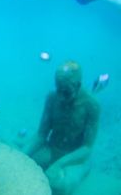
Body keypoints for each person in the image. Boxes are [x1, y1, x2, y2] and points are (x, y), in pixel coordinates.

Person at [23, 61, 100, 195]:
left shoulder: (92, 105)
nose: (61, 97)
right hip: (51, 150)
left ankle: (83, 170)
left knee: (59, 186)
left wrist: (60, 164)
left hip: (75, 159)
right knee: (15, 154)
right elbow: (41, 135)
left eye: (66, 92)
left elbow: (87, 148)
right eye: (58, 89)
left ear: (78, 85)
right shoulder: (52, 98)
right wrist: (23, 155)